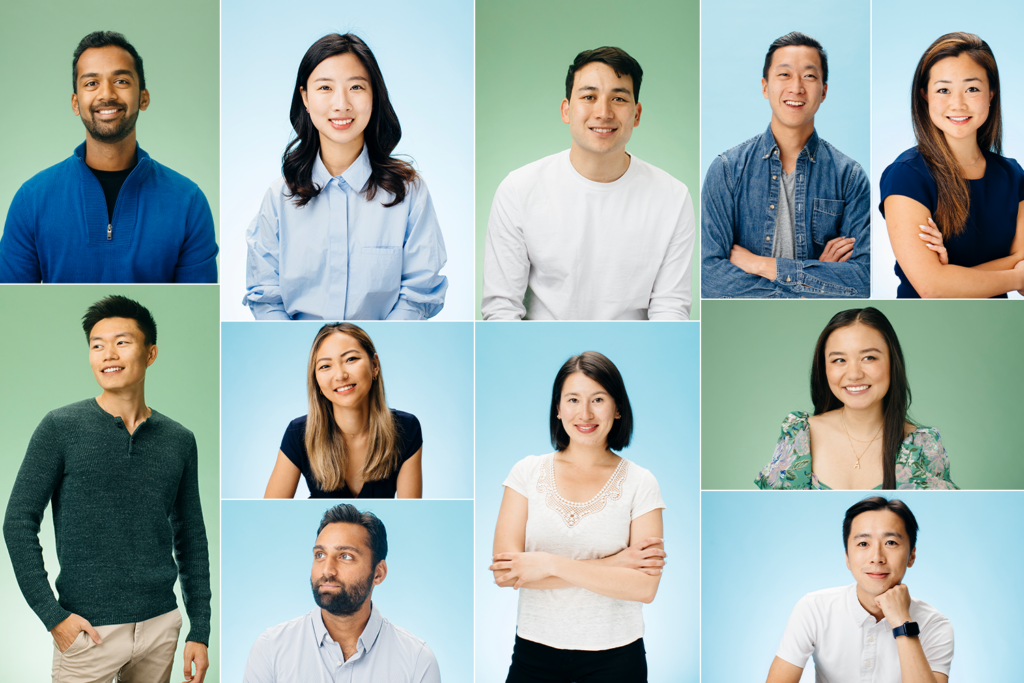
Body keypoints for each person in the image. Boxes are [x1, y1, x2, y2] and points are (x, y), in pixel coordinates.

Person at [2, 296, 211, 682]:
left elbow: (191, 537)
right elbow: (17, 521)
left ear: (150, 353)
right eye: (97, 345)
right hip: (88, 632)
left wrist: (199, 629)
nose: (107, 354)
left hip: (160, 626)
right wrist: (54, 618)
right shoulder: (60, 428)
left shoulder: (180, 440)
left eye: (121, 342)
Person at [244, 33, 448, 320]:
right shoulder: (279, 198)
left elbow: (419, 292)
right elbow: (266, 297)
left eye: (356, 87)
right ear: (304, 97)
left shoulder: (409, 192)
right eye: (325, 87)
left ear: (374, 95)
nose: (341, 104)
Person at [482, 47, 695, 321]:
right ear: (566, 110)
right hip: (543, 353)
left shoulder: (673, 198)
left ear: (637, 114)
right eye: (589, 96)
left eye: (618, 98)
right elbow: (502, 308)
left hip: (632, 355)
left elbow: (671, 310)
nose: (603, 112)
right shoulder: (518, 190)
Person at [490, 351, 666, 682]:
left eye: (598, 399)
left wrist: (547, 564)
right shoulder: (526, 472)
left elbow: (644, 587)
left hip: (617, 658)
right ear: (558, 408)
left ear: (617, 408)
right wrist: (614, 564)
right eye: (573, 399)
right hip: (533, 653)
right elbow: (507, 573)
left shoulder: (641, 482)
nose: (584, 413)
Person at [0, 31, 218, 283]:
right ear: (75, 103)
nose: (107, 95)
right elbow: (9, 306)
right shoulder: (31, 200)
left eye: (122, 81)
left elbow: (196, 306)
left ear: (143, 98)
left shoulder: (188, 202)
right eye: (91, 83)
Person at [701, 32, 870, 298]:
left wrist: (761, 265)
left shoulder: (850, 177)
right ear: (765, 86)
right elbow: (709, 279)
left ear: (824, 91)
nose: (797, 88)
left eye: (810, 76)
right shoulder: (726, 171)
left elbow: (862, 280)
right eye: (784, 75)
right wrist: (813, 282)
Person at [880, 32, 1024, 298]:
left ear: (991, 93)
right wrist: (1015, 276)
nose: (957, 104)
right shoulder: (906, 176)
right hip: (929, 320)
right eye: (943, 90)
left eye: (972, 89)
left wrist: (952, 276)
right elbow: (933, 288)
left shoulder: (1014, 175)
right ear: (924, 95)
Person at [755, 307, 957, 490]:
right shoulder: (798, 435)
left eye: (869, 358)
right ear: (824, 368)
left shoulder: (924, 446)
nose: (853, 374)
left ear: (892, 363)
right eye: (839, 360)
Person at [243, 504, 441, 682]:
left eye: (345, 556)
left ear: (378, 573)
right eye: (320, 555)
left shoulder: (417, 662)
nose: (327, 570)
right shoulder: (270, 649)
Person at [765, 497, 953, 683]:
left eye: (891, 542)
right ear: (847, 557)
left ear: (911, 556)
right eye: (863, 544)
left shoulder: (935, 625)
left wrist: (902, 623)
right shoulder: (814, 609)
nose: (877, 557)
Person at [265, 323, 423, 498]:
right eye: (325, 366)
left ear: (375, 365)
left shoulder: (407, 428)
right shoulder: (298, 433)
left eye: (351, 359)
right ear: (316, 380)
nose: (340, 375)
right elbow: (270, 509)